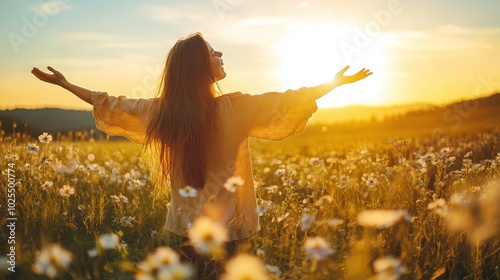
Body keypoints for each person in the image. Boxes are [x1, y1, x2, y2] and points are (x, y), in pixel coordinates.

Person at [32, 32, 372, 278]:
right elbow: (287, 100)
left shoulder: (162, 112)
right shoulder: (234, 108)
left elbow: (109, 102)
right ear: (199, 66)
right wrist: (333, 85)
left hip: (183, 234)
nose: (220, 53)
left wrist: (66, 85)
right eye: (213, 52)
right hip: (230, 234)